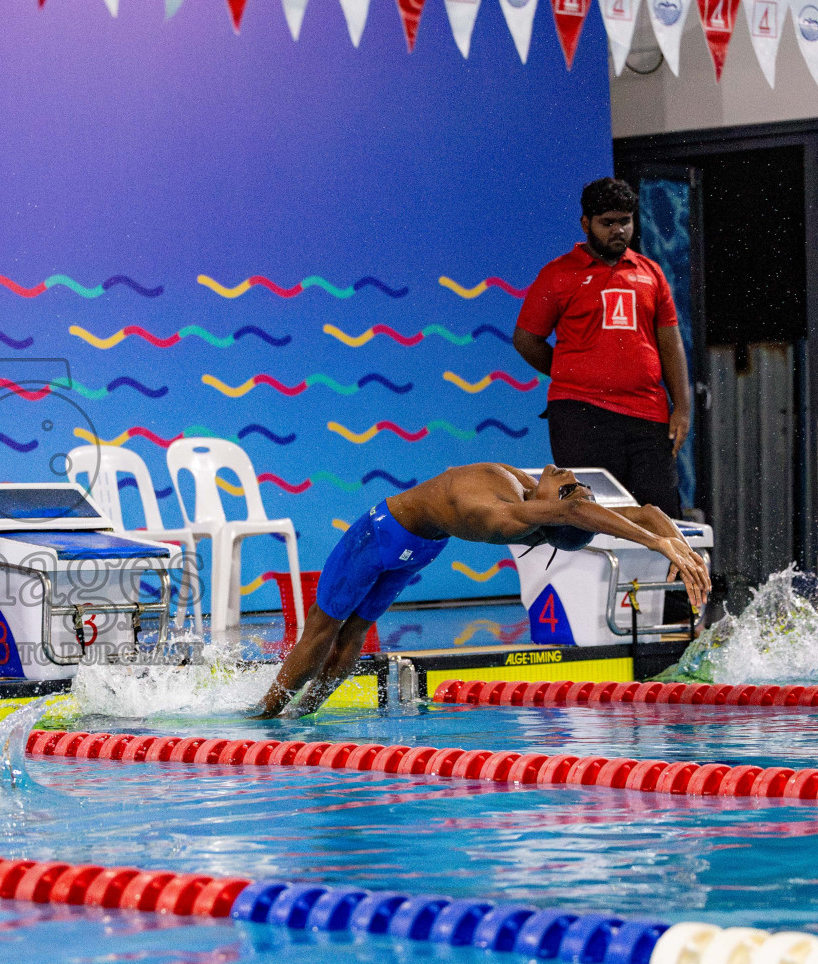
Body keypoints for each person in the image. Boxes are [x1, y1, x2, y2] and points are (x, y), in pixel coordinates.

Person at [251, 464, 710, 718]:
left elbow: (576, 514)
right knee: (351, 635)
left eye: (569, 487)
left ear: (557, 507)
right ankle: (301, 713)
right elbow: (646, 510)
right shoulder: (534, 507)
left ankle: (269, 716)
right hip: (422, 547)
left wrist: (653, 541)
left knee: (324, 629)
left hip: (382, 534)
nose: (566, 471)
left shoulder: (505, 513)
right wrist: (673, 542)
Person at [512, 178, 692, 518]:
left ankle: (667, 573)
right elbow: (526, 339)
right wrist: (570, 373)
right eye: (607, 222)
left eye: (624, 221)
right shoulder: (558, 275)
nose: (618, 230)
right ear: (586, 224)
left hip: (647, 415)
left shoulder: (651, 274)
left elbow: (670, 342)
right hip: (581, 416)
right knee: (593, 517)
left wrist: (681, 406)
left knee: (662, 514)